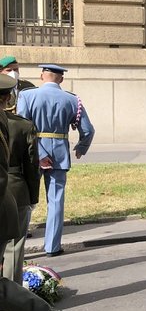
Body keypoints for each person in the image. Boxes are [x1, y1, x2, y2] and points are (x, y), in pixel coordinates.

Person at [0, 73, 79, 311]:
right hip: (44, 168)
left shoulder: (16, 118)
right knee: (56, 205)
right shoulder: (23, 119)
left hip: (13, 193)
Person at [16, 64, 95, 256]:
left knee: (26, 200)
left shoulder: (27, 95)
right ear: (61, 79)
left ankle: (17, 247)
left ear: (42, 76)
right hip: (60, 154)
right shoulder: (72, 99)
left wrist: (40, 153)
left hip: (33, 153)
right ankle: (52, 246)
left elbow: (22, 128)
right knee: (56, 200)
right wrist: (81, 147)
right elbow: (88, 130)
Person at [2, 85, 39, 283]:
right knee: (14, 247)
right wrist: (33, 197)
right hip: (15, 189)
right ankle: (11, 302)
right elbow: (32, 166)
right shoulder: (22, 126)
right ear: (8, 97)